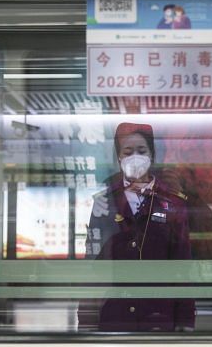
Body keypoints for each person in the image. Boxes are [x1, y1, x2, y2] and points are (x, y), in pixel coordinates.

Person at [81, 122, 195, 332]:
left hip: (159, 315)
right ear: (119, 158)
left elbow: (182, 265)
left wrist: (185, 320)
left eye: (141, 151)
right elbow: (93, 265)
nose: (135, 156)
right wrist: (86, 319)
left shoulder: (172, 202)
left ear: (151, 154)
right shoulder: (105, 202)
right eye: (128, 151)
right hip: (115, 315)